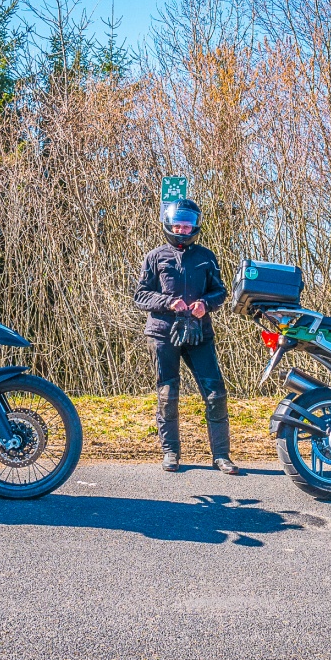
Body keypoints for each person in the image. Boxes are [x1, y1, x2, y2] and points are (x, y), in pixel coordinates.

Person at [134, 199, 238, 475]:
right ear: (169, 224)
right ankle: (170, 452)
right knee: (168, 394)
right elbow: (140, 295)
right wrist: (168, 302)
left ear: (195, 225)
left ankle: (221, 455)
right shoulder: (155, 256)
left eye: (187, 224)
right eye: (178, 224)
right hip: (163, 333)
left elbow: (220, 292)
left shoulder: (207, 256)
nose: (182, 229)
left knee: (216, 394)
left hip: (200, 333)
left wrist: (206, 303)